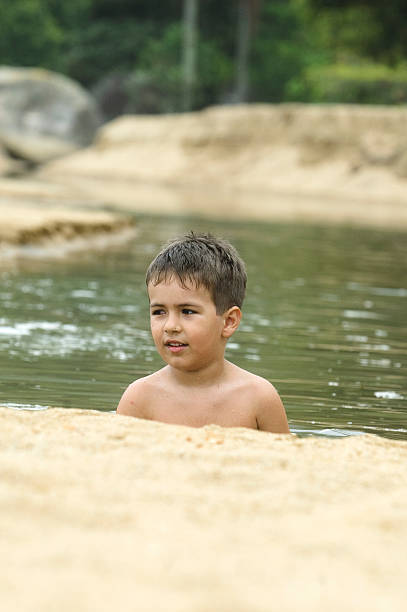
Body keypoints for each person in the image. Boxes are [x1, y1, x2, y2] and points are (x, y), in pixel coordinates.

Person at [116, 232, 290, 433]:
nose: (170, 326)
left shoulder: (259, 398)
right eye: (159, 312)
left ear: (229, 322)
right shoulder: (139, 398)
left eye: (187, 311)